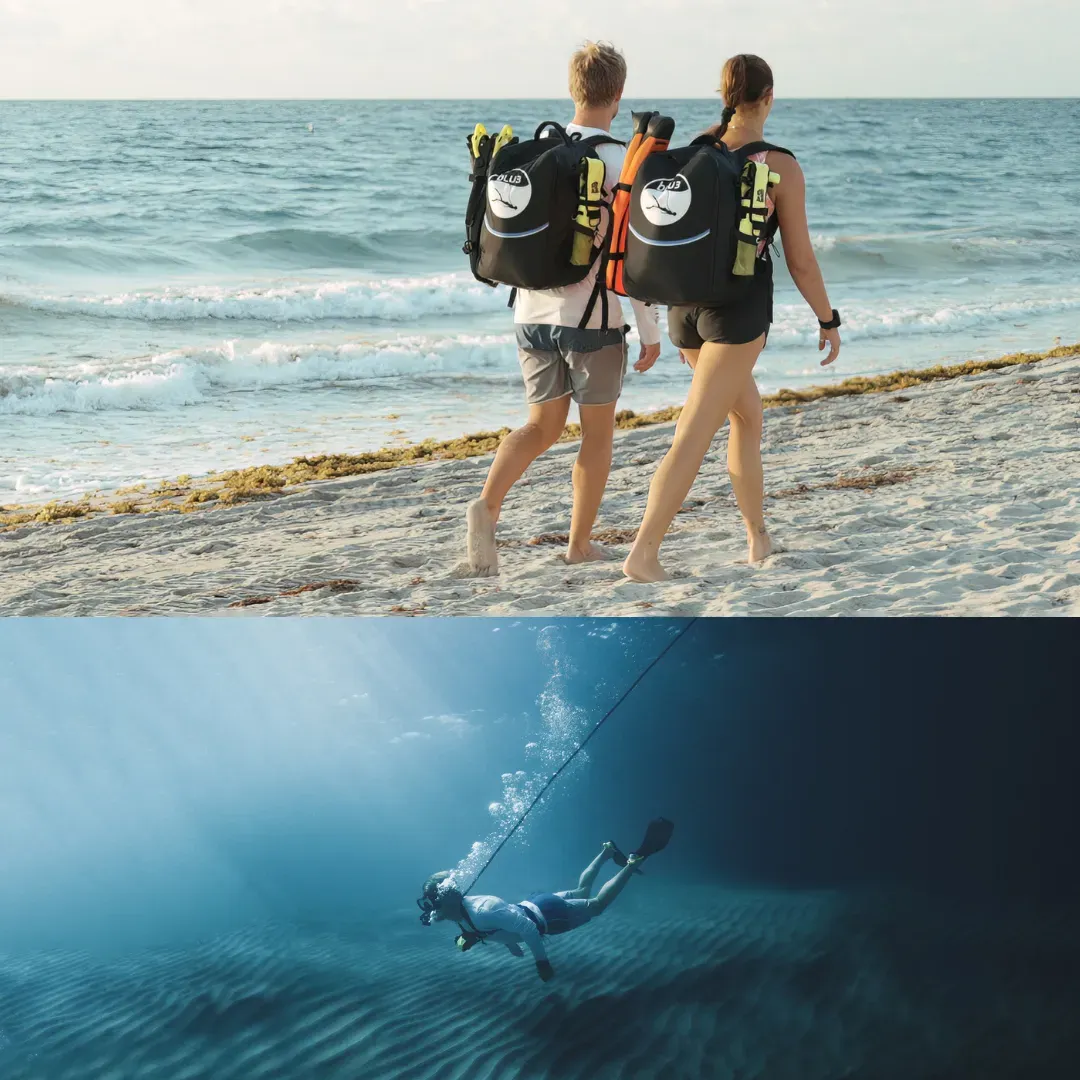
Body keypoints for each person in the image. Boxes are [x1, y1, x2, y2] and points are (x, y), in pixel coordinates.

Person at [623, 54, 842, 582]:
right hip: (736, 314)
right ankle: (643, 554)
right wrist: (827, 319)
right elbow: (801, 260)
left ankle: (757, 536)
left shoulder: (695, 150)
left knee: (746, 416)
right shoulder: (779, 165)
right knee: (694, 432)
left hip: (684, 311)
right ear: (768, 98)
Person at [465, 41, 663, 577]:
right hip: (593, 322)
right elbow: (630, 259)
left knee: (540, 426)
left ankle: (486, 504)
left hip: (529, 316)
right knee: (596, 435)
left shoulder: (535, 153)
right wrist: (649, 330)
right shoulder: (622, 162)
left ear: (573, 90)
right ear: (618, 95)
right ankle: (579, 544)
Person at [418, 819, 674, 983]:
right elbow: (495, 926)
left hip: (548, 917)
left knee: (597, 905)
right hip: (537, 904)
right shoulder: (455, 911)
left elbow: (527, 929)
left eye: (433, 903)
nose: (433, 910)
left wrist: (542, 962)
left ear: (448, 899)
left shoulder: (482, 911)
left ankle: (633, 863)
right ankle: (606, 852)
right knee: (582, 890)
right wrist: (508, 945)